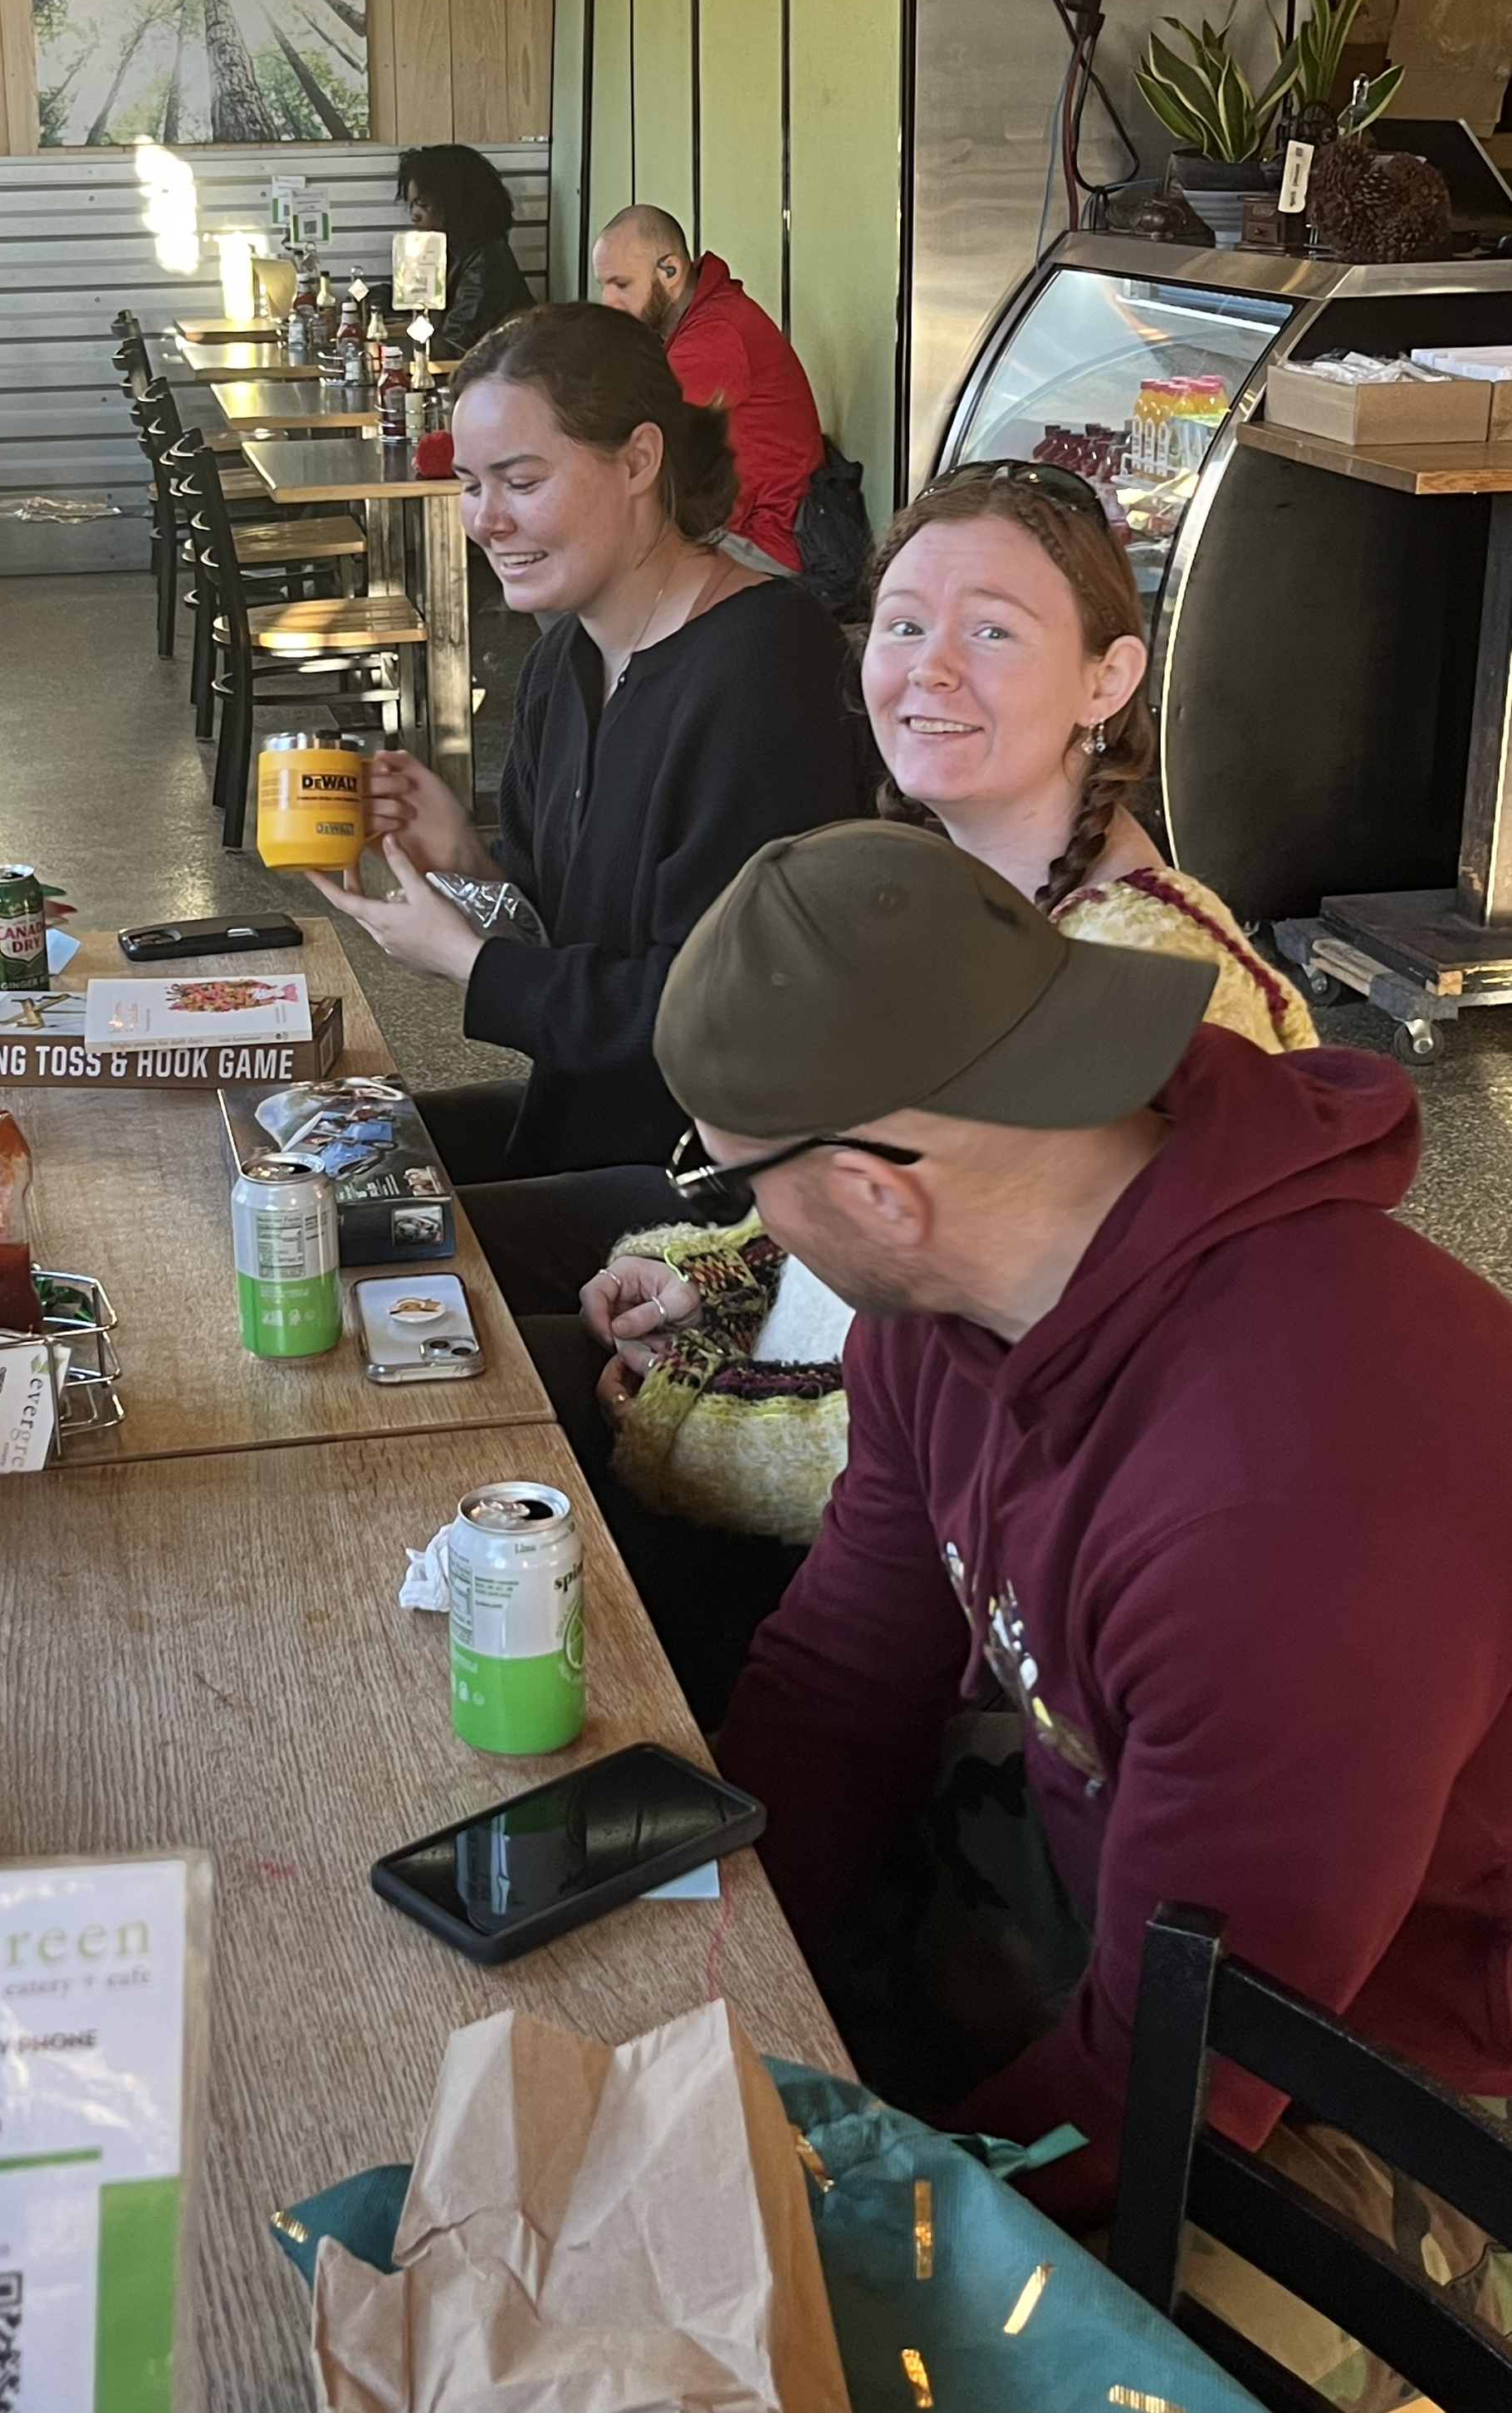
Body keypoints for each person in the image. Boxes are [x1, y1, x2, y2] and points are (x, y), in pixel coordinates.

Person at [648, 815, 1512, 2381]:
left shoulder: (1282, 1500)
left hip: (1407, 2058)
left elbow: (1183, 2076)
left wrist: (825, 2229)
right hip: (1165, 1880)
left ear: (874, 1187)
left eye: (730, 1176)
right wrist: (676, 1962)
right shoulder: (939, 1320)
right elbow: (844, 1680)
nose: (741, 1220)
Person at [537, 464, 1314, 1720]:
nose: (929, 670)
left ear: (1109, 681)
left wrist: (676, 1422)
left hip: (977, 1633)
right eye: (904, 624)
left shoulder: (1155, 991)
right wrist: (718, 1280)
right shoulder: (950, 891)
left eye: (993, 631)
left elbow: (989, 1432)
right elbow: (889, 1203)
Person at [302, 301, 863, 1316]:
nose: (486, 521)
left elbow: (723, 1021)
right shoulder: (569, 652)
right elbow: (580, 924)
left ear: (640, 459)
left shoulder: (764, 666)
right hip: (587, 1121)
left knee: (336, 1256)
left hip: (713, 1196)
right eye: (471, 486)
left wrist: (473, 965)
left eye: (522, 482)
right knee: (295, 1169)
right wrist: (472, 867)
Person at [593, 204, 823, 575]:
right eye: (603, 285)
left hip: (762, 542)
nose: (608, 302)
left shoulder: (714, 337)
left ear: (670, 270)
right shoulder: (692, 321)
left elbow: (616, 428)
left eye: (621, 284)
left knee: (581, 557)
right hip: (733, 523)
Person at [396, 144, 533, 358]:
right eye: (411, 205)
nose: (413, 215)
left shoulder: (486, 261)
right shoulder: (453, 249)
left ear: (455, 203)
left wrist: (387, 353)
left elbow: (454, 346)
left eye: (423, 204)